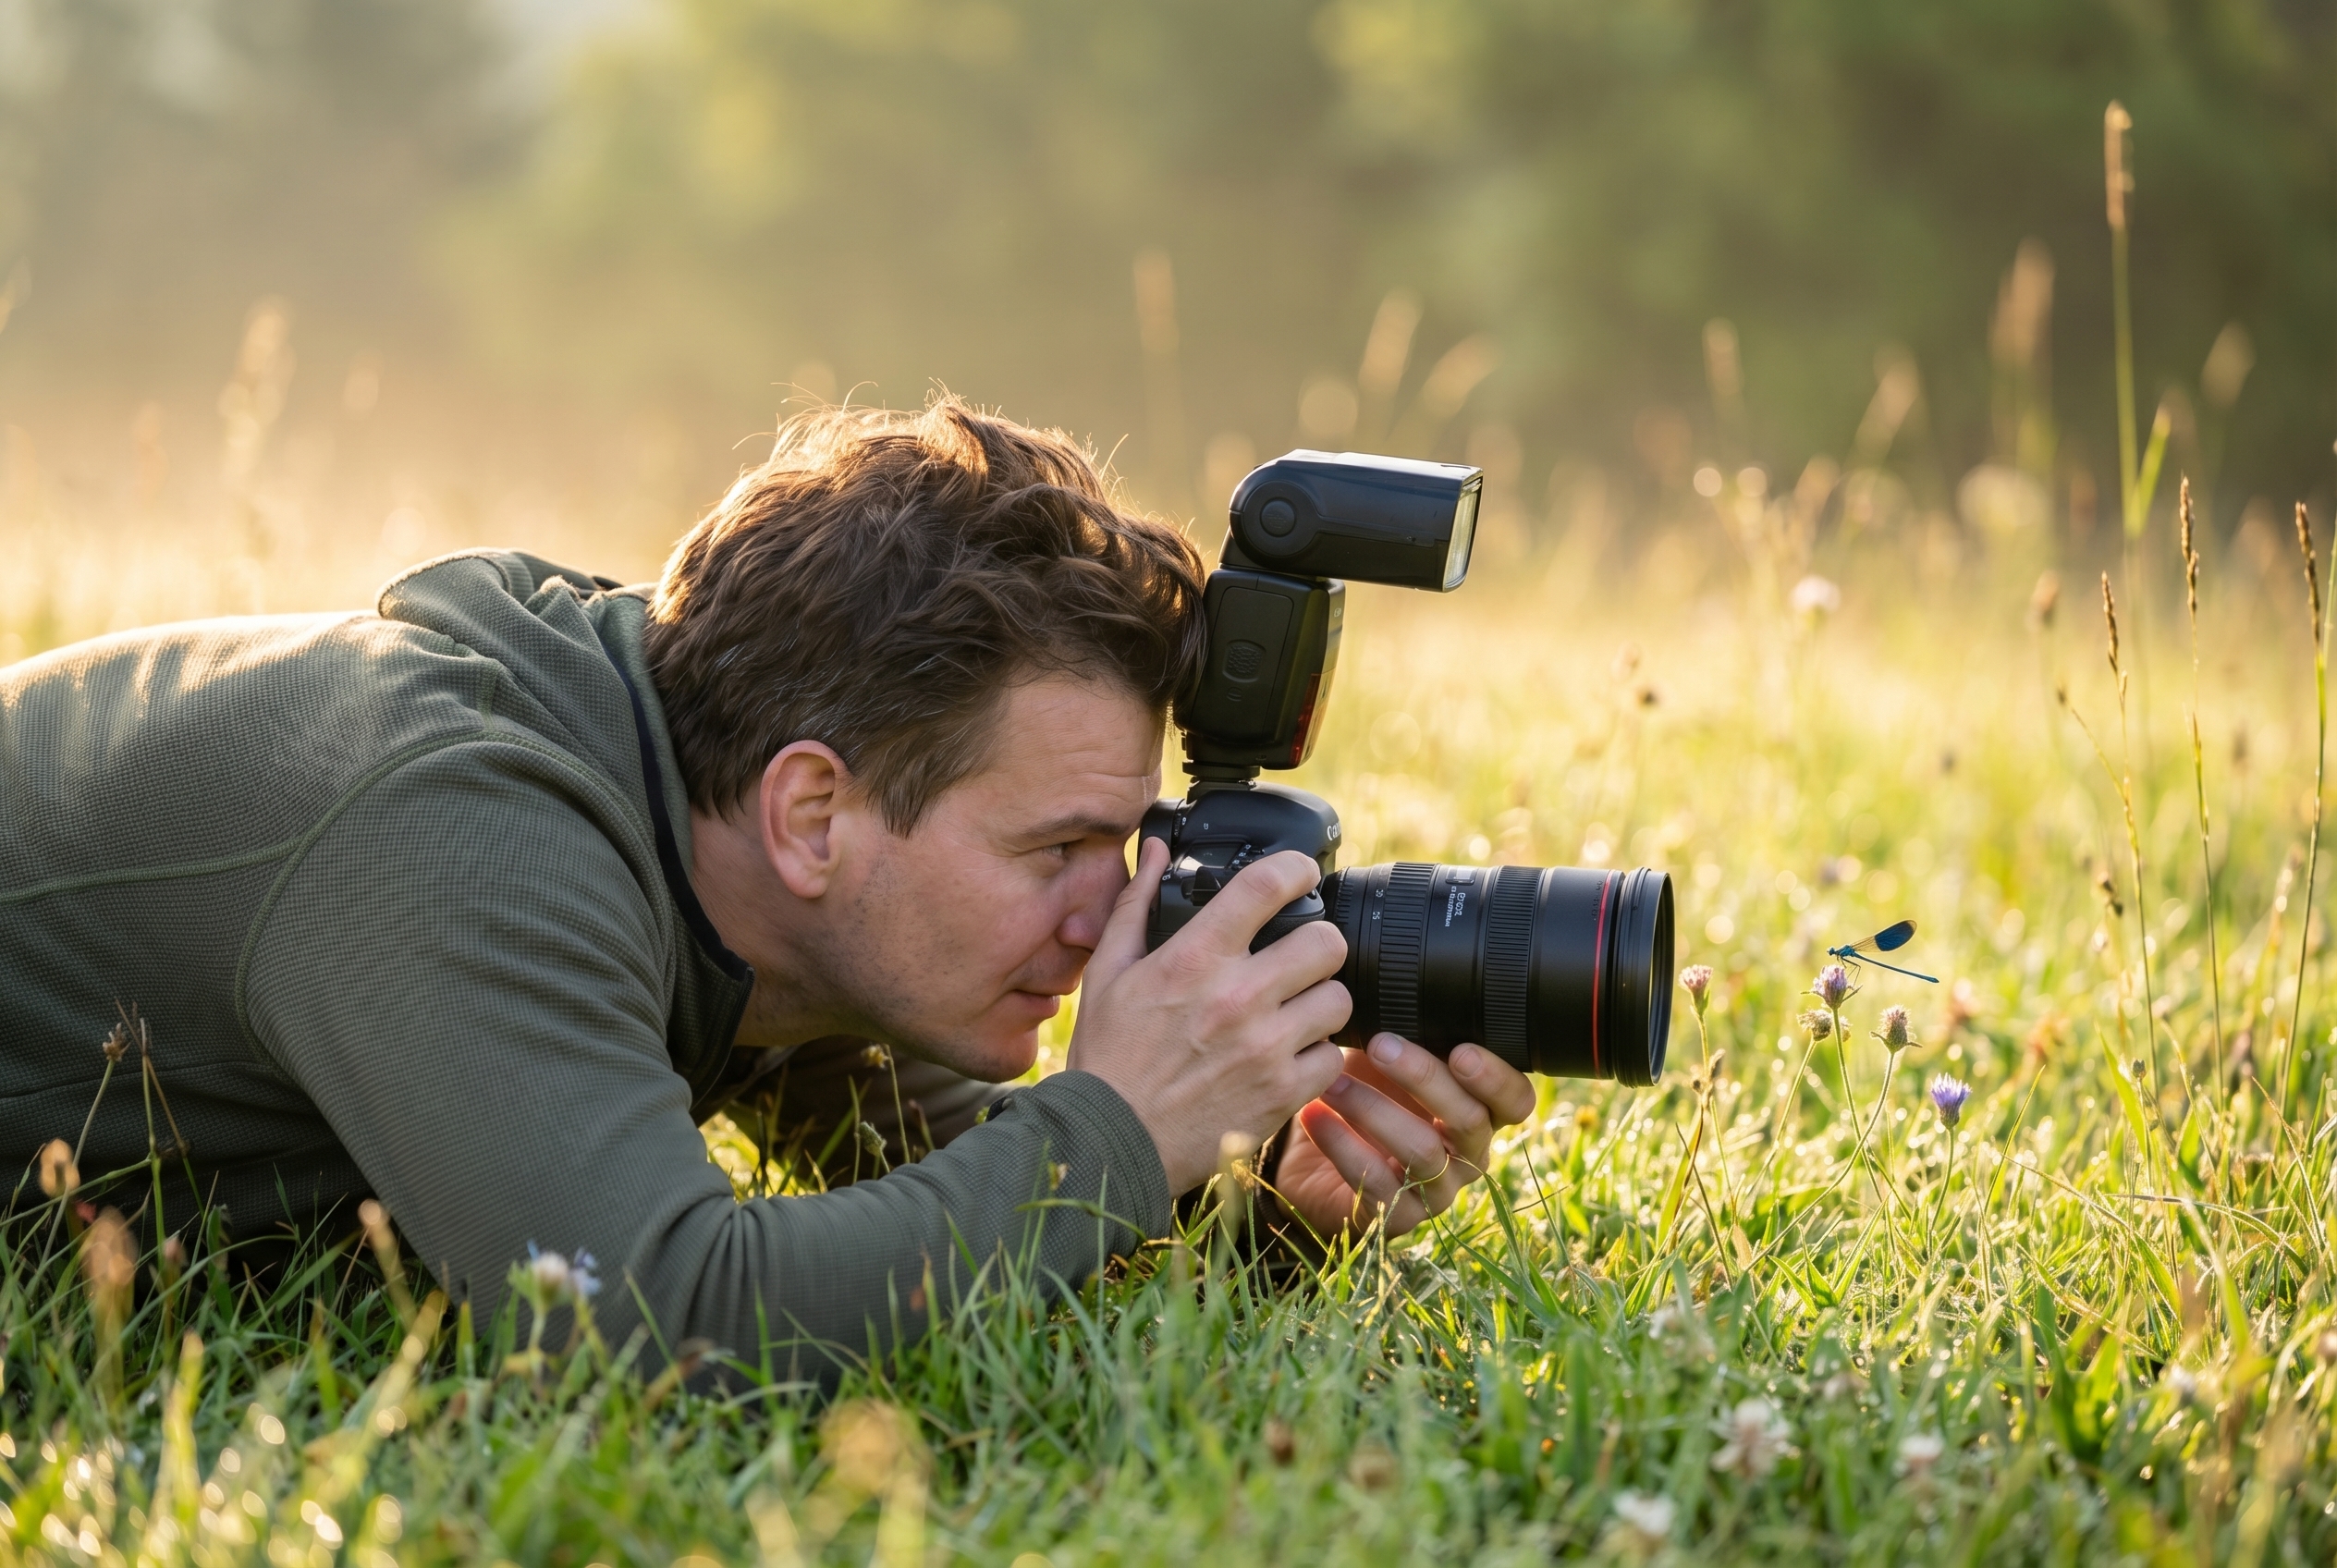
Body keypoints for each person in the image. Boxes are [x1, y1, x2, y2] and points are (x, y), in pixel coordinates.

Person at [1, 397, 1535, 1384]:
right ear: (816, 812)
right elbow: (662, 1324)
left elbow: (947, 1218)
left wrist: (1259, 1204)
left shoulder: (760, 865)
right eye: (1054, 849)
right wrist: (1120, 1126)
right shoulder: (458, 834)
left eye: (1122, 850)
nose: (1109, 916)